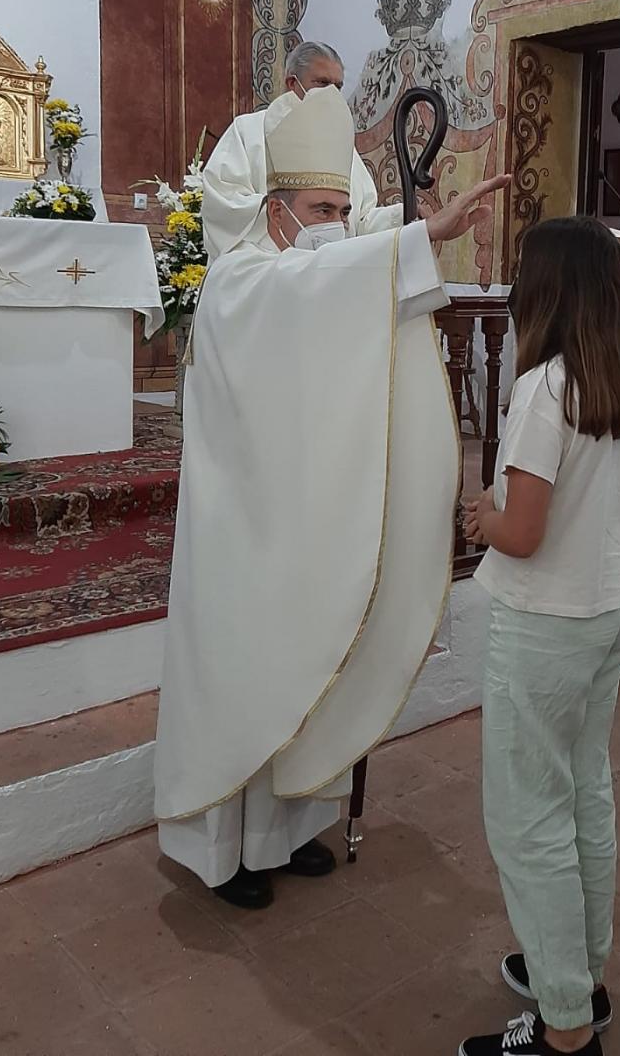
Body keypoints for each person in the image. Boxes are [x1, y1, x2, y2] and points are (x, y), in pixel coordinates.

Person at [154, 82, 508, 909]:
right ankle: (228, 853)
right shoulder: (241, 283)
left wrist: (411, 239)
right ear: (275, 209)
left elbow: (341, 277)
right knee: (253, 674)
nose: (334, 224)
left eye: (344, 209)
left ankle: (283, 836)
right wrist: (418, 242)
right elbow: (318, 287)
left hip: (301, 515)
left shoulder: (303, 264)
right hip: (245, 529)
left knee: (309, 662)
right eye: (319, 207)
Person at [460, 217, 620, 1056]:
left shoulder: (545, 387)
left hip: (546, 621)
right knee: (583, 792)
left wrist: (481, 516)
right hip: (611, 611)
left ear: (545, 290)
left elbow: (525, 532)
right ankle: (579, 975)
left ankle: (566, 1032)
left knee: (526, 818)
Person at [200, 41, 399, 262]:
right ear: (292, 83)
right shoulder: (248, 131)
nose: (331, 95)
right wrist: (289, 220)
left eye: (338, 87)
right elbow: (223, 204)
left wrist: (402, 217)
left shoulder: (339, 143)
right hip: (267, 273)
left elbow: (360, 221)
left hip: (328, 274)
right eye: (322, 83)